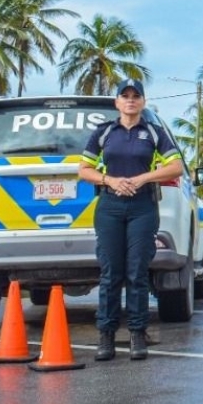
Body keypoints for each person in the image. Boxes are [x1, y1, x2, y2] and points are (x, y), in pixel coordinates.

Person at [78, 79, 184, 361]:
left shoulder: (153, 131)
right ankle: (106, 336)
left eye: (136, 96)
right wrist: (109, 180)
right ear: (117, 103)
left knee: (137, 273)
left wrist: (142, 178)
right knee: (111, 273)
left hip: (142, 206)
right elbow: (84, 169)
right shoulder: (104, 133)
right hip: (110, 206)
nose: (130, 100)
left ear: (143, 102)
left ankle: (138, 335)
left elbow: (176, 166)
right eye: (124, 96)